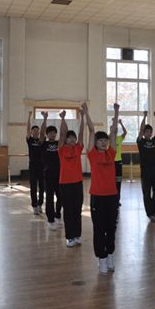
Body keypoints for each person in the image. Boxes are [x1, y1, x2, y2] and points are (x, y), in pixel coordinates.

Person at [85, 103, 120, 275]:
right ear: (96, 143)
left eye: (105, 140)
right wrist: (86, 113)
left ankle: (110, 254)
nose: (104, 142)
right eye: (100, 140)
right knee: (99, 228)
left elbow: (113, 132)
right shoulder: (92, 155)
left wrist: (116, 112)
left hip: (112, 196)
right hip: (97, 196)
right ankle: (102, 258)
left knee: (111, 227)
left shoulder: (110, 154)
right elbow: (91, 131)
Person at [58, 106, 85, 247]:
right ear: (66, 140)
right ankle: (69, 237)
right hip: (65, 183)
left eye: (73, 137)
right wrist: (63, 119)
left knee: (77, 210)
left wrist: (83, 117)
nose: (72, 139)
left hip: (78, 183)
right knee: (68, 210)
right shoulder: (61, 149)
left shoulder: (78, 148)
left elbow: (81, 133)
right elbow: (62, 134)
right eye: (70, 138)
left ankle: (77, 235)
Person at [137, 111, 155, 222]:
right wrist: (144, 116)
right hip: (145, 171)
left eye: (150, 131)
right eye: (146, 131)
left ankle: (153, 209)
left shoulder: (154, 141)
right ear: (144, 133)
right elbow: (141, 129)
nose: (149, 133)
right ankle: (150, 214)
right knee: (146, 193)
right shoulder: (140, 142)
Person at [39, 112, 62, 230]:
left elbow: (64, 134)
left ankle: (58, 215)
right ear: (47, 135)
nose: (52, 134)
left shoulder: (59, 144)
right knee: (49, 198)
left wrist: (63, 119)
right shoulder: (44, 144)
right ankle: (50, 220)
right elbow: (41, 133)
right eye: (50, 133)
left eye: (54, 133)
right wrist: (45, 119)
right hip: (48, 174)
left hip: (59, 173)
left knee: (61, 196)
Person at [26, 111, 44, 214]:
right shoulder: (30, 140)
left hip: (41, 167)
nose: (36, 132)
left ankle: (40, 204)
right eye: (34, 131)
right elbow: (27, 128)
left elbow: (43, 132)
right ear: (32, 132)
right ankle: (34, 205)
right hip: (32, 167)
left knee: (42, 187)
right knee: (33, 187)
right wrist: (29, 116)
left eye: (37, 131)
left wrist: (44, 118)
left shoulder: (41, 141)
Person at [114, 119, 127, 207]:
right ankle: (112, 200)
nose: (115, 131)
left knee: (118, 182)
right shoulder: (108, 139)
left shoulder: (119, 138)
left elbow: (125, 132)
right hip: (111, 163)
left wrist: (121, 123)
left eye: (116, 129)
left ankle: (117, 200)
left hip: (118, 163)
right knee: (111, 182)